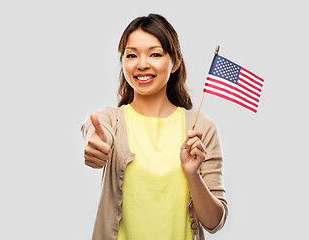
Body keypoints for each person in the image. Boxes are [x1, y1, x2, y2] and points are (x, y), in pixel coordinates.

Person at [81, 13, 227, 240]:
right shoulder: (113, 120)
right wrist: (97, 141)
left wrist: (193, 175)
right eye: (131, 55)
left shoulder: (201, 127)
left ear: (175, 62)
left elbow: (213, 222)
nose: (142, 64)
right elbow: (96, 128)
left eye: (155, 54)